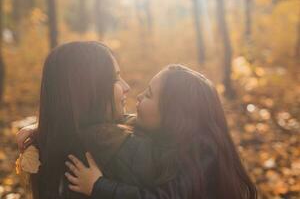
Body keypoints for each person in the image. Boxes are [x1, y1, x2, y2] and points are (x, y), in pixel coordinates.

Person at [65, 65, 258, 199]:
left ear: (174, 114)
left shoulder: (201, 151)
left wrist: (98, 187)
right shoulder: (174, 139)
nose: (138, 96)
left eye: (148, 94)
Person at [16, 41, 160, 199]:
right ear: (89, 90)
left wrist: (39, 128)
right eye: (115, 79)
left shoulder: (45, 149)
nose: (126, 87)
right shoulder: (126, 148)